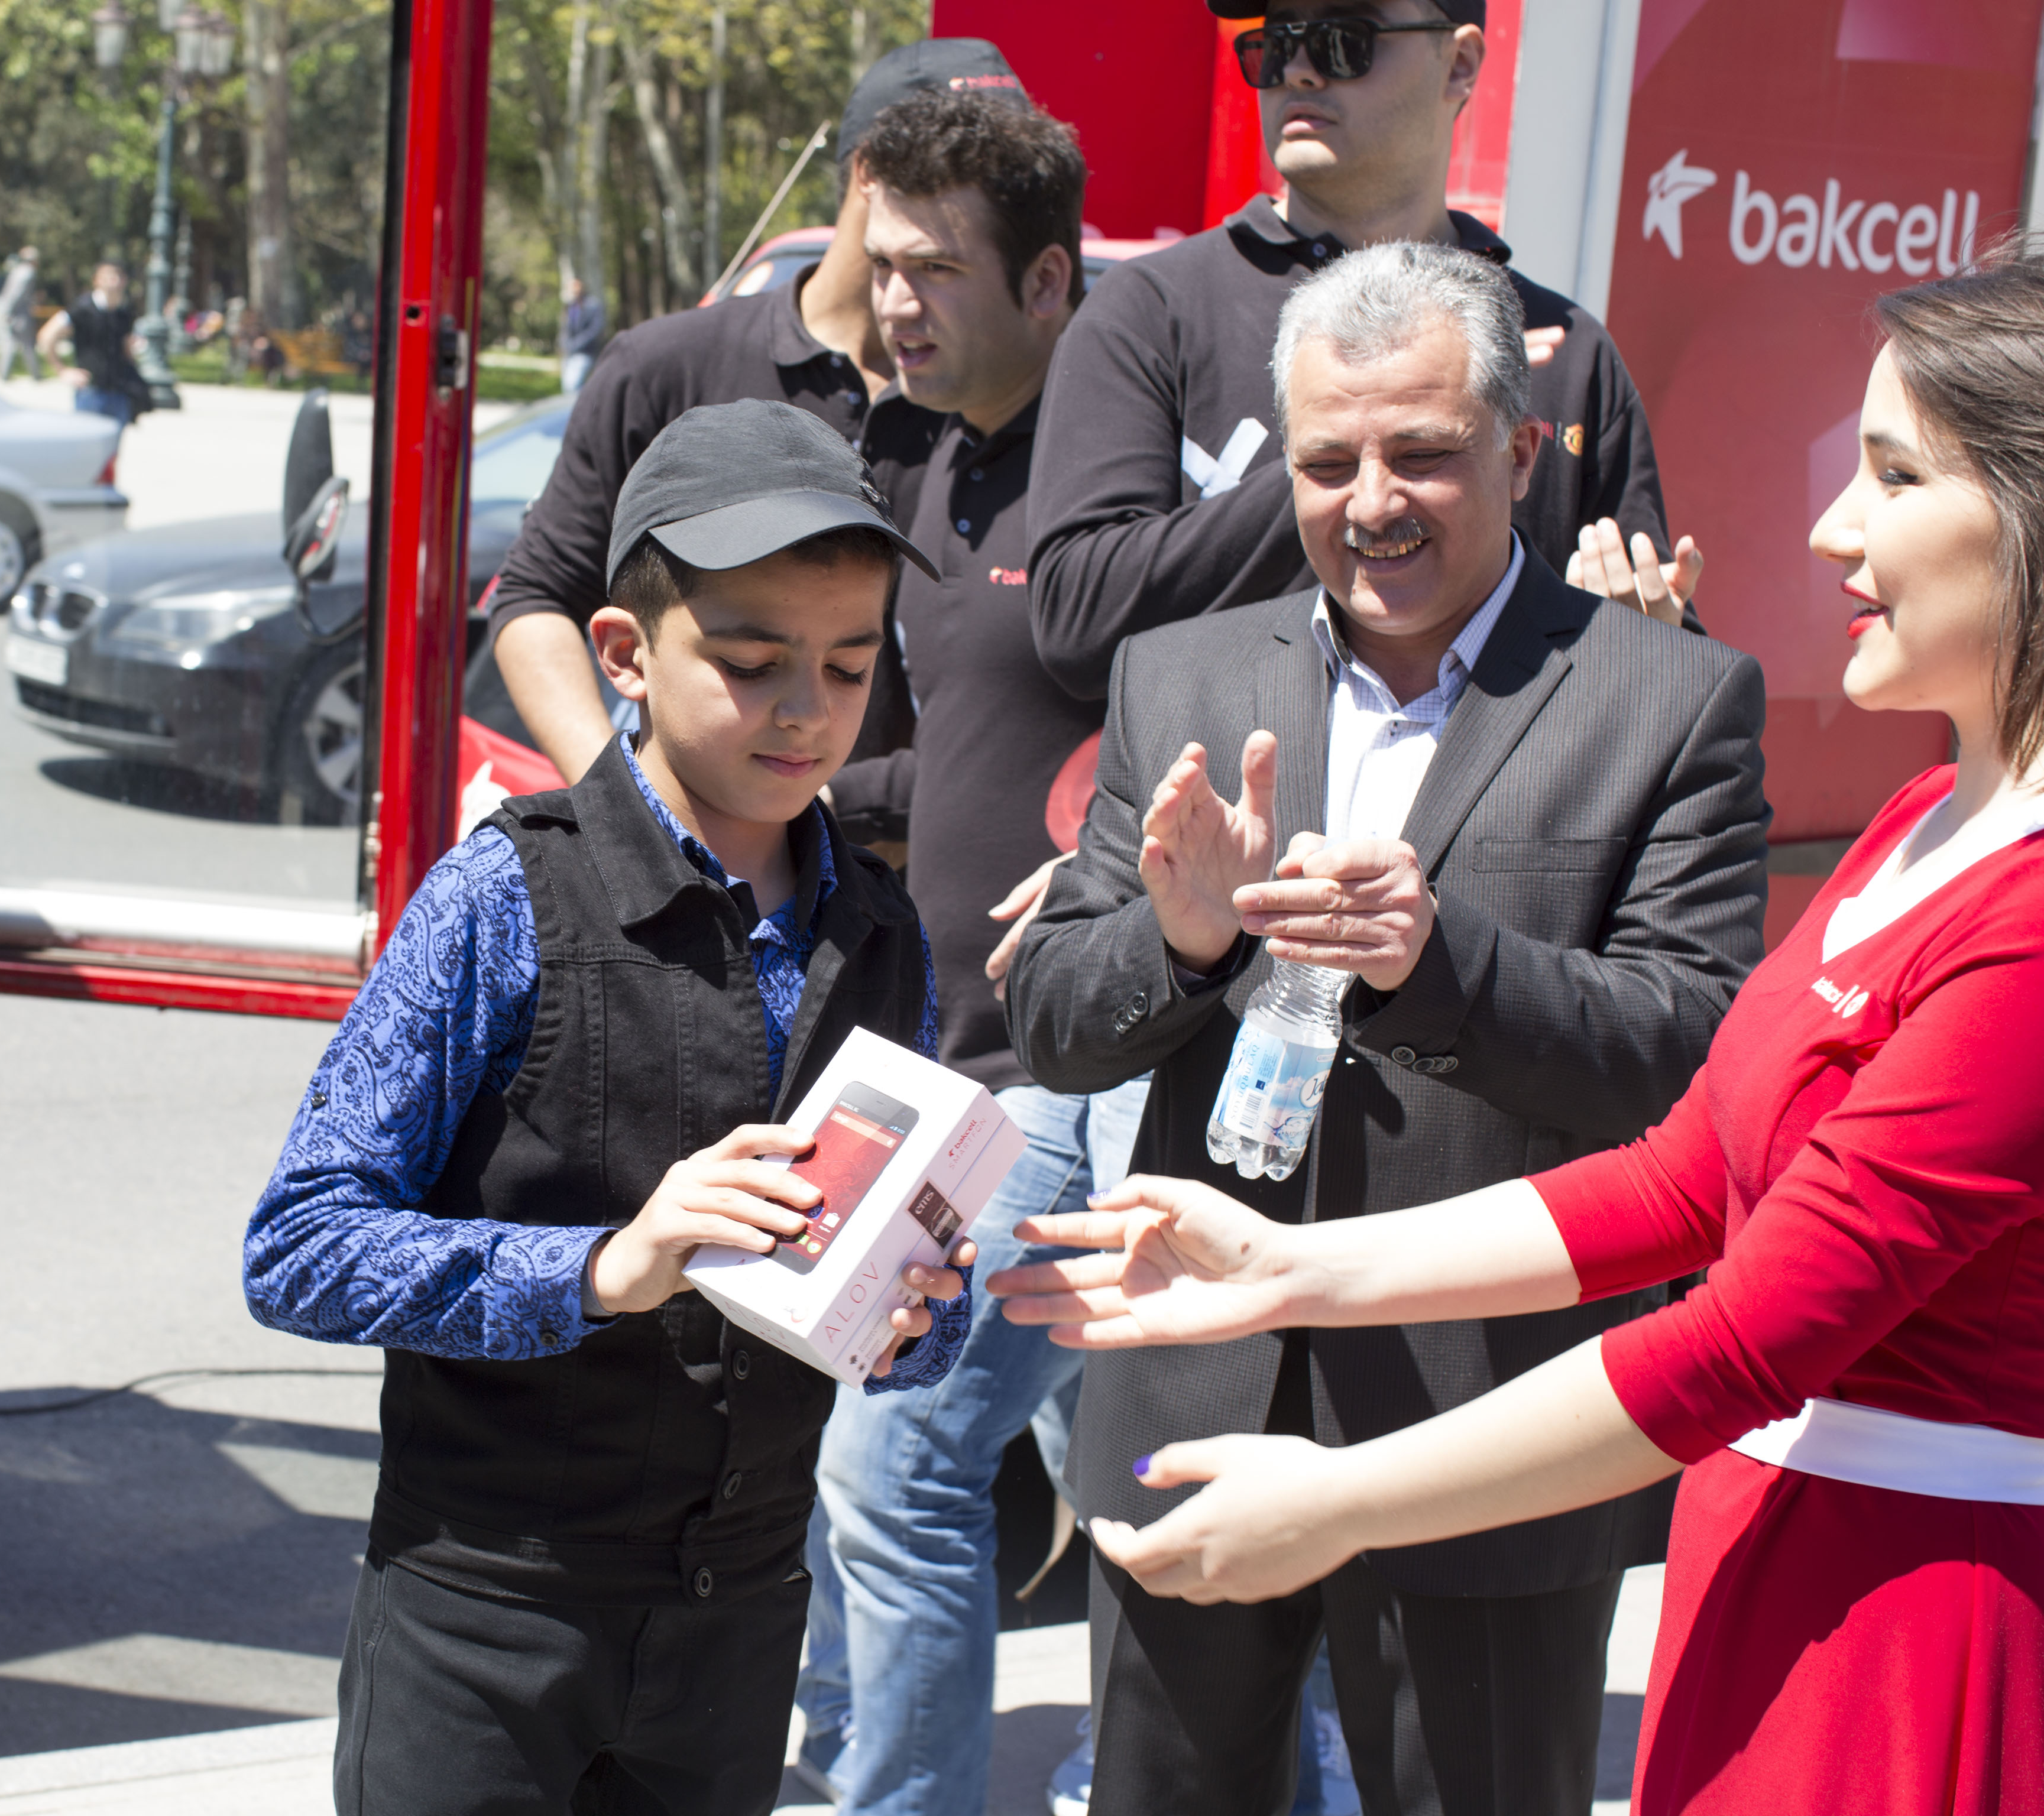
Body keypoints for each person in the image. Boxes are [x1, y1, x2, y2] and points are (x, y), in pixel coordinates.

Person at [997, 252, 2044, 1816]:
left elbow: (1740, 1276)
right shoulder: (1915, 824)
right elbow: (1695, 1178)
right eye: (1327, 461)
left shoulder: (1683, 710)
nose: (1829, 525)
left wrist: (1439, 963)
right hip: (1255, 1413)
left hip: (1781, 1552)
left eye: (1890, 475)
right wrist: (1278, 1244)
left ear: (1519, 452)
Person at [246, 400, 977, 1816]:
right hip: (487, 1613)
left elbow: (921, 1325)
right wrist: (599, 1266)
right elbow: (301, 1245)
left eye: (846, 663)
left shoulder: (886, 933)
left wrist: (916, 1309)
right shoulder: (503, 895)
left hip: (743, 1616)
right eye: (753, 661)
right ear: (625, 654)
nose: (806, 708)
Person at [792, 88, 1146, 1816]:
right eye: (881, 263)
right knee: (1122, 1468)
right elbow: (949, 754)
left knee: (900, 1458)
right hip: (929, 1066)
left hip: (1084, 1070)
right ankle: (1228, 1769)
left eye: (935, 268)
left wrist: (1114, 845)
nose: (895, 303)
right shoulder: (902, 459)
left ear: (1053, 283)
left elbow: (1253, 732)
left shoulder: (1126, 482)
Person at [1029, 0, 1704, 714]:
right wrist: (1338, 474)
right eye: (1274, 43)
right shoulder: (1151, 309)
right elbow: (1079, 624)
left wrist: (1646, 646)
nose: (1296, 69)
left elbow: (1659, 635)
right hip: (1239, 812)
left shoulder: (1560, 345)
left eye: (1341, 41)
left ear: (1462, 63)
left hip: (1489, 817)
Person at [487, 37, 1034, 786]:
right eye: (966, 168)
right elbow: (536, 598)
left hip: (916, 884)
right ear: (871, 173)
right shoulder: (669, 364)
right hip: (698, 876)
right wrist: (627, 814)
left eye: (1012, 180)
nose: (992, 207)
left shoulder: (1024, 403)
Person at [39, 260, 150, 426]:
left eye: (118, 276)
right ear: (97, 281)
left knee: (112, 450)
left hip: (120, 390)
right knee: (87, 448)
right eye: (108, 277)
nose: (114, 281)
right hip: (91, 391)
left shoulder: (125, 312)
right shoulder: (82, 308)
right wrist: (62, 370)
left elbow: (126, 349)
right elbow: (47, 335)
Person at [0, 243, 42, 382]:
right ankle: (35, 374)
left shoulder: (17, 271)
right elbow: (17, 294)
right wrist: (9, 312)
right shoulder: (28, 273)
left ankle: (4, 374)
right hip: (20, 313)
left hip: (12, 311)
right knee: (27, 344)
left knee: (10, 342)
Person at [558, 274, 604, 393]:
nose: (574, 289)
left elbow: (595, 330)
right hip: (569, 353)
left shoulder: (593, 305)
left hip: (585, 353)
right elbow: (565, 329)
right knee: (569, 388)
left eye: (576, 286)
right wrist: (564, 344)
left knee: (572, 386)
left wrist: (577, 344)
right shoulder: (570, 306)